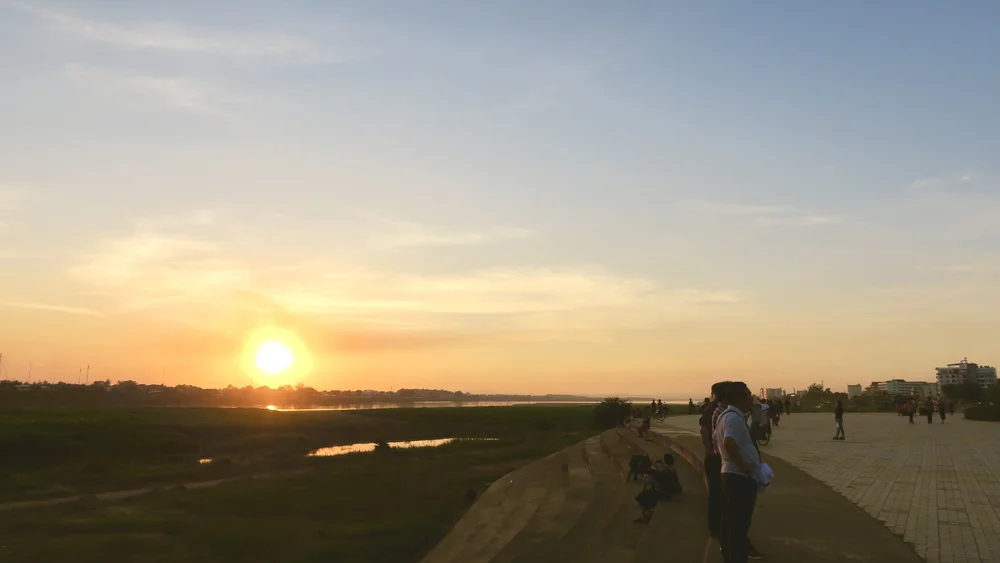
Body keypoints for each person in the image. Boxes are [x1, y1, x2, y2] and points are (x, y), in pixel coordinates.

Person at [715, 382, 762, 563]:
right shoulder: (733, 419)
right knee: (738, 524)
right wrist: (744, 465)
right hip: (738, 477)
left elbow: (717, 441)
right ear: (740, 398)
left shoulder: (727, 416)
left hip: (732, 474)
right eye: (748, 394)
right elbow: (728, 442)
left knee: (731, 522)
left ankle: (730, 556)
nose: (751, 397)